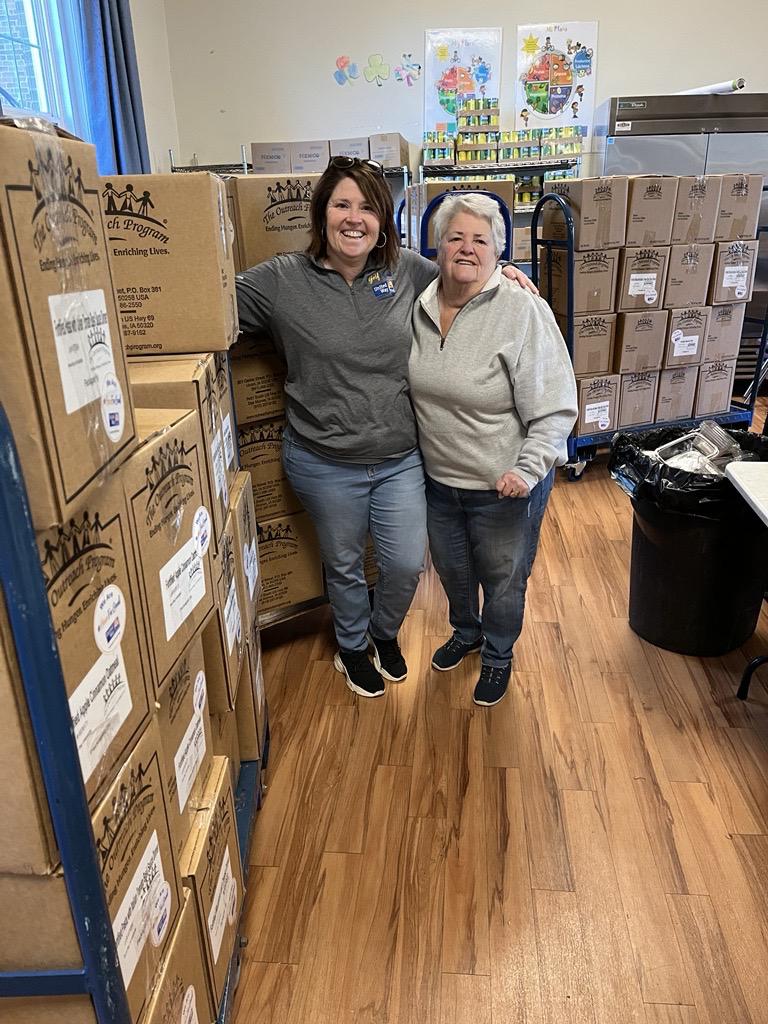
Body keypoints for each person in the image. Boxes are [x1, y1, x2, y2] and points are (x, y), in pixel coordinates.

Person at [235, 157, 535, 699]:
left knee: (401, 566)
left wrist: (511, 275)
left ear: (384, 220)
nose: (355, 219)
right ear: (322, 214)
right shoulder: (281, 280)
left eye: (368, 207)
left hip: (400, 457)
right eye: (342, 205)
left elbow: (469, 270)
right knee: (345, 563)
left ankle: (382, 631)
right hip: (322, 458)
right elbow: (209, 306)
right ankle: (352, 649)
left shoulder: (410, 271)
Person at [409, 193, 577, 707]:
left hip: (504, 485)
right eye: (455, 237)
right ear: (436, 248)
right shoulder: (419, 302)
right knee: (455, 575)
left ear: (498, 253)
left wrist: (528, 469)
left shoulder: (522, 309)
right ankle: (467, 632)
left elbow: (555, 405)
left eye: (480, 240)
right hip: (440, 481)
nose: (466, 248)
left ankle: (499, 655)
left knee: (503, 580)